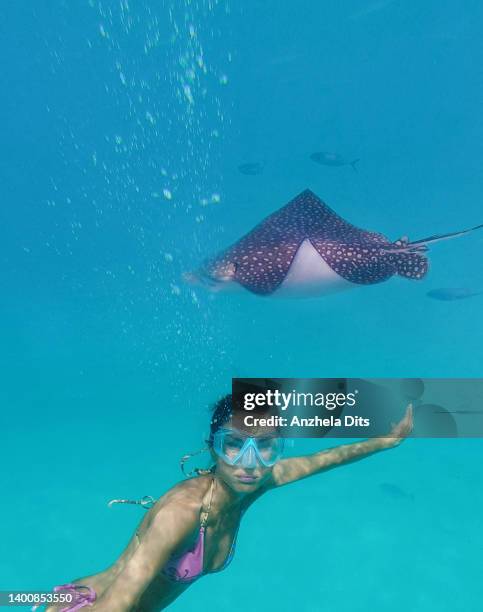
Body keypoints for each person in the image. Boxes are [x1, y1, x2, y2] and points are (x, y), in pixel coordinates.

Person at [38, 394, 413, 612]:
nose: (248, 463)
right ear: (213, 447)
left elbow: (327, 459)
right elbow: (118, 603)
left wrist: (386, 441)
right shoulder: (181, 513)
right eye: (233, 444)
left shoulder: (258, 482)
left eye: (265, 446)